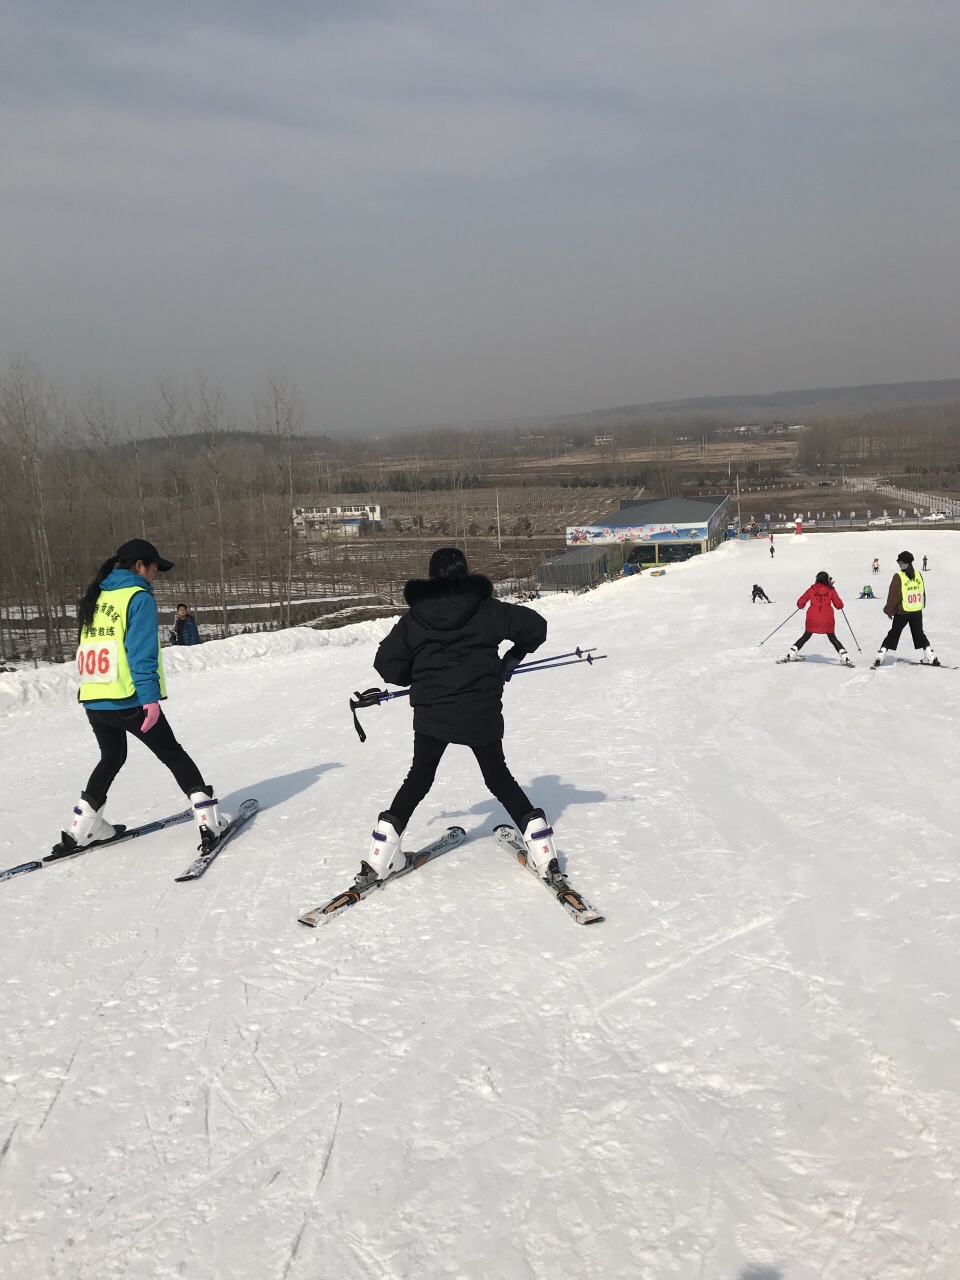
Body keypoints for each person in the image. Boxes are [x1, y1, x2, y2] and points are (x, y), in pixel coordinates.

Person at [360, 546, 564, 885]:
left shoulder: (415, 617)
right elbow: (535, 627)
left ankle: (381, 854)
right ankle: (542, 848)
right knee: (499, 779)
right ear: (465, 572)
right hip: (479, 711)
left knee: (418, 779)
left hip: (432, 714)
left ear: (431, 576)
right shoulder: (487, 609)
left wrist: (418, 678)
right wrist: (510, 660)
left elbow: (386, 664)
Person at [53, 538, 231, 856]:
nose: (155, 575)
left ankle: (82, 828)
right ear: (139, 567)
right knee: (173, 754)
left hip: (94, 698)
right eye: (154, 568)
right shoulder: (137, 598)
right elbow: (141, 655)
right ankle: (209, 820)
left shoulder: (96, 597)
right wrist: (149, 699)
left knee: (111, 758)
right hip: (129, 699)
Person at [872, 550, 940, 668]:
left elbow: (894, 596)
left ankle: (881, 655)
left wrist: (889, 610)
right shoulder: (918, 574)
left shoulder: (899, 576)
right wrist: (921, 605)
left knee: (894, 633)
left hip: (903, 611)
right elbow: (922, 592)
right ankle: (930, 656)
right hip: (917, 610)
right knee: (919, 633)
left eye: (899, 561)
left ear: (903, 562)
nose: (898, 564)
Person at [783, 571, 852, 664]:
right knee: (832, 638)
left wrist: (801, 606)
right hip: (827, 618)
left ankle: (791, 653)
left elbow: (800, 603)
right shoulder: (831, 590)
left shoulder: (811, 590)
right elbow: (839, 605)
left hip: (813, 617)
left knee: (806, 636)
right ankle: (845, 657)